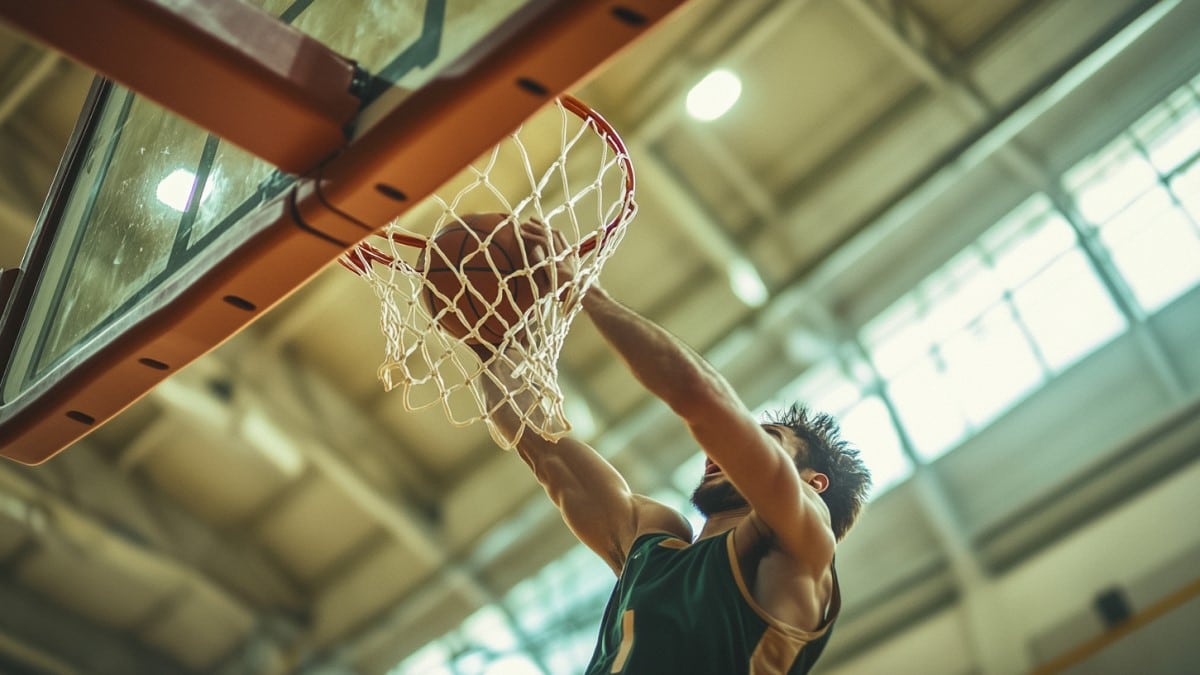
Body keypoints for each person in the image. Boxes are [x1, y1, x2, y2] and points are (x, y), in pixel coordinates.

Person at [475, 223, 872, 674]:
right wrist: (490, 338)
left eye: (766, 439)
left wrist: (587, 291)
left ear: (812, 483)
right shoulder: (653, 538)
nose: (723, 449)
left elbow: (703, 400)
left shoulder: (802, 545)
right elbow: (541, 443)